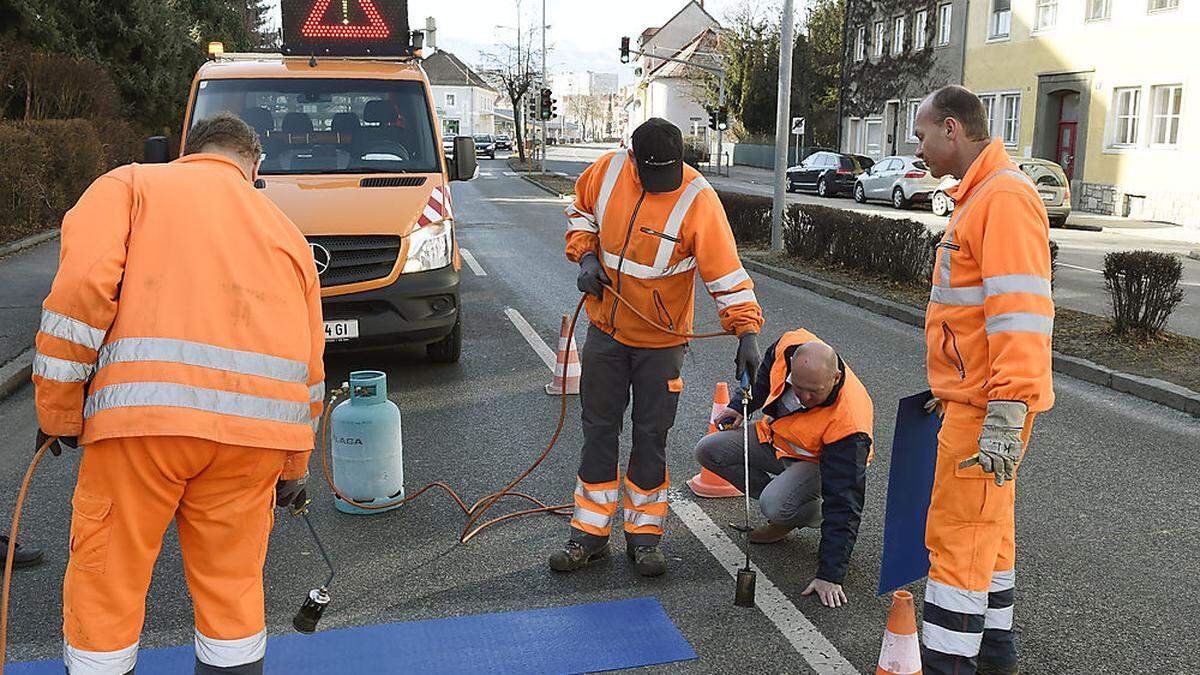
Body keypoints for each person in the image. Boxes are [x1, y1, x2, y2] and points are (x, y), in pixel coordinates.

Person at [31, 112, 325, 675]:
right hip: (254, 440)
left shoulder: (132, 185)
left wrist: (60, 408)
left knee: (108, 578)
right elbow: (309, 364)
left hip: (144, 425)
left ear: (187, 153)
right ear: (253, 165)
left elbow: (81, 290)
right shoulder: (284, 230)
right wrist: (294, 465)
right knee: (232, 588)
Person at [549, 118, 764, 577]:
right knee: (598, 431)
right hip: (605, 331)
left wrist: (747, 331)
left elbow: (725, 271)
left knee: (651, 437)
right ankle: (589, 535)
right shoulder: (606, 172)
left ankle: (645, 539)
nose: (663, 185)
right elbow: (580, 212)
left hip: (662, 342)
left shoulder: (697, 198)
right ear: (633, 159)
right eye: (652, 175)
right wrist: (586, 256)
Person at [913, 86, 1054, 675]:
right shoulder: (985, 196)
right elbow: (980, 315)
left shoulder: (1002, 198)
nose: (915, 147)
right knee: (989, 540)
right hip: (976, 400)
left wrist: (1007, 408)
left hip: (985, 408)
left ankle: (948, 664)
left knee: (958, 543)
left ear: (952, 130)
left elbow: (1021, 312)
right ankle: (996, 656)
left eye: (920, 135)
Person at [694, 329, 872, 608]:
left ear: (835, 379)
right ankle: (787, 503)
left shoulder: (850, 424)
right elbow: (764, 379)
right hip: (777, 440)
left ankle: (806, 511)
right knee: (708, 450)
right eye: (798, 388)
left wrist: (830, 574)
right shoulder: (788, 348)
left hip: (818, 463)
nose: (804, 397)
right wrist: (739, 406)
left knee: (774, 505)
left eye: (814, 392)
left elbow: (846, 499)